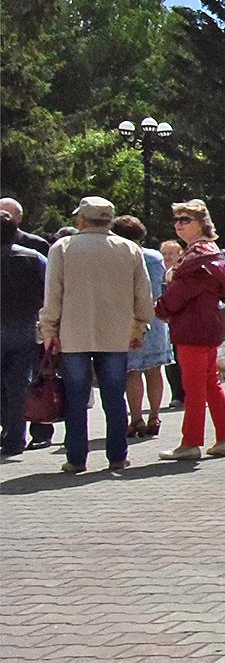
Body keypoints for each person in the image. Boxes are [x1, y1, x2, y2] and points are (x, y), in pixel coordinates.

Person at [37, 196, 153, 472]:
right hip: (116, 334)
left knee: (75, 398)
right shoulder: (129, 249)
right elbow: (143, 294)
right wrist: (139, 327)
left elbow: (53, 294)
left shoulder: (63, 248)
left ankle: (76, 458)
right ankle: (117, 456)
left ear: (82, 219)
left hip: (73, 334)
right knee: (114, 396)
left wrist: (49, 330)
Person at [155, 199, 225, 461]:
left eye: (185, 220)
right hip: (208, 325)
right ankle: (223, 439)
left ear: (202, 223)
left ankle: (190, 442)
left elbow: (179, 295)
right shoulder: (209, 252)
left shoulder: (195, 258)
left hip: (193, 327)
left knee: (194, 387)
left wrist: (160, 308)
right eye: (177, 219)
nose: (178, 225)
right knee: (210, 383)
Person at [2, 198, 56, 450]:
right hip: (23, 326)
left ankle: (9, 427)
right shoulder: (34, 257)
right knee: (18, 383)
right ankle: (15, 436)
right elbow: (49, 292)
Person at [110, 216, 172, 437]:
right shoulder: (155, 257)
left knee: (132, 372)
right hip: (155, 320)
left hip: (128, 320)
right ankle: (155, 416)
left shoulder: (118, 258)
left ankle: (136, 418)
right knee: (155, 371)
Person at [159, 239, 186, 407]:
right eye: (164, 253)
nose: (167, 257)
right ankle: (177, 395)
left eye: (171, 253)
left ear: (180, 254)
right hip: (166, 322)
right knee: (172, 361)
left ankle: (191, 393)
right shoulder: (158, 272)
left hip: (183, 321)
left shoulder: (184, 272)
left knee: (185, 358)